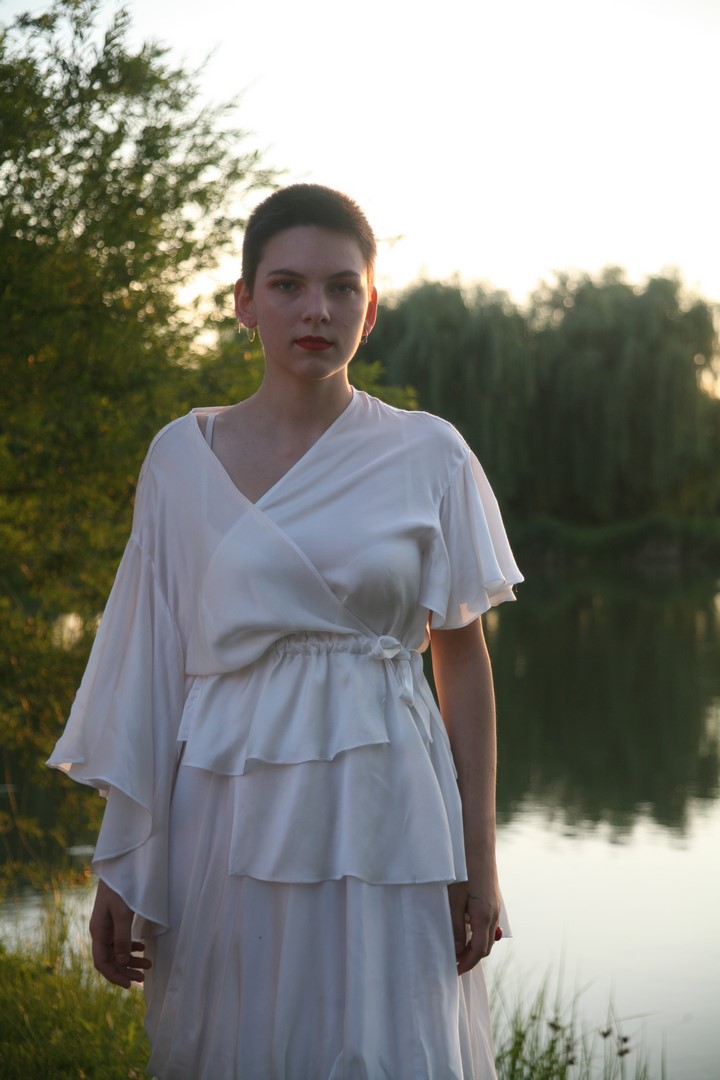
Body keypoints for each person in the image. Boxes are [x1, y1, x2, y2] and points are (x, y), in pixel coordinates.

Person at [48, 183, 523, 1079]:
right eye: (288, 285)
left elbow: (461, 664)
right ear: (244, 302)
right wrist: (124, 862)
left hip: (389, 808)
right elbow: (149, 665)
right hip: (226, 809)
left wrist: (479, 859)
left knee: (386, 1042)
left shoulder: (432, 454)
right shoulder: (180, 459)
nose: (317, 310)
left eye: (343, 288)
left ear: (370, 311)